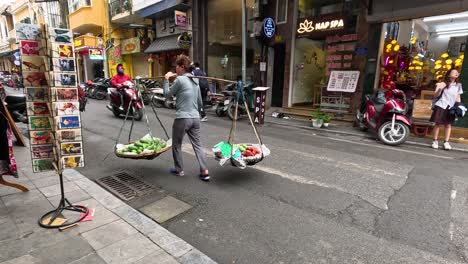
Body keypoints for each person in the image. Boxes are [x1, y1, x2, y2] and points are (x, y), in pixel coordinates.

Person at [164, 55, 210, 181]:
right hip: (195, 118)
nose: (175, 69)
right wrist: (198, 112)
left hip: (183, 118)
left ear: (181, 67)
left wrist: (166, 79)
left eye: (176, 67)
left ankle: (179, 169)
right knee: (198, 145)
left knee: (176, 144)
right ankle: (204, 171)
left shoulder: (179, 80)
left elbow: (167, 94)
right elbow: (200, 102)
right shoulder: (195, 80)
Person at [430, 69, 463, 150]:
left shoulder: (458, 85)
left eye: (456, 73)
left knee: (448, 125)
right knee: (437, 124)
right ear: (449, 75)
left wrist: (459, 106)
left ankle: (446, 142)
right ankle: (435, 141)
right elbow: (435, 95)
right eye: (453, 72)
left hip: (451, 107)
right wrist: (440, 89)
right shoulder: (443, 83)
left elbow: (458, 97)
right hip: (441, 105)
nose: (456, 73)